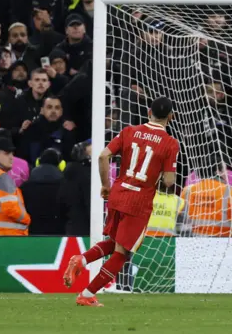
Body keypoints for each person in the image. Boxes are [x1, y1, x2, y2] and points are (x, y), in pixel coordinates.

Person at [63, 97, 179, 307]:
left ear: (148, 112)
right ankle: (87, 295)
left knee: (114, 242)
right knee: (122, 254)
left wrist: (106, 185)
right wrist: (163, 175)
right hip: (139, 201)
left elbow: (102, 156)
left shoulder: (128, 131)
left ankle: (81, 259)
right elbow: (169, 181)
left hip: (118, 195)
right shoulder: (170, 143)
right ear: (171, 117)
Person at [180, 161, 232, 237]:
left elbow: (180, 218)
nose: (226, 173)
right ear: (217, 171)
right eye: (224, 170)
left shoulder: (188, 190)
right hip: (224, 241)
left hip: (192, 242)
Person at [20, 147, 67, 235]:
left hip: (32, 233)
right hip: (59, 234)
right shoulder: (66, 187)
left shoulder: (24, 187)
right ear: (61, 165)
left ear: (38, 163)